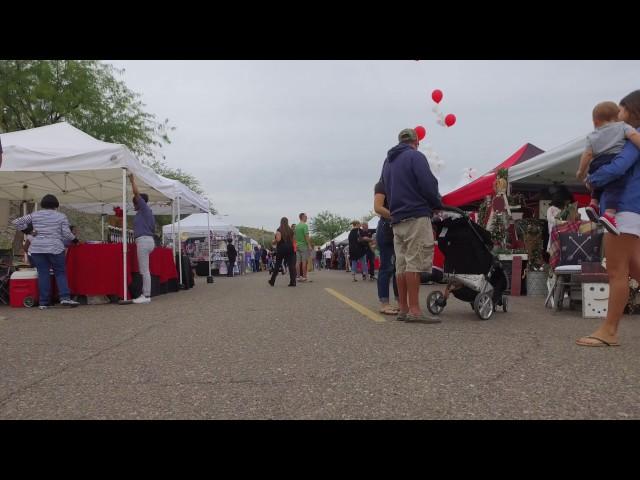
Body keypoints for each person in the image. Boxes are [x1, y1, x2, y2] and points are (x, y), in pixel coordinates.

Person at [577, 90, 640, 347]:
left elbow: (619, 166)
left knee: (617, 270)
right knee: (634, 266)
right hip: (629, 207)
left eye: (622, 109)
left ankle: (610, 330)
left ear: (631, 110)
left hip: (623, 208)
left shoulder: (628, 138)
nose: (618, 113)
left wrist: (592, 180)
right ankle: (609, 329)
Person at [381, 128, 441, 323]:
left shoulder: (388, 162)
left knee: (401, 264)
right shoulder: (415, 157)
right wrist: (436, 203)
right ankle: (415, 310)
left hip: (397, 218)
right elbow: (427, 183)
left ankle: (403, 309)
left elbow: (386, 188)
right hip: (416, 214)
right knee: (414, 262)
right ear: (416, 142)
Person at [576, 101, 640, 234]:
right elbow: (633, 137)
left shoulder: (592, 135)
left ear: (595, 122)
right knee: (615, 187)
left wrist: (581, 172)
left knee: (600, 186)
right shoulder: (622, 127)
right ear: (616, 117)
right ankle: (609, 214)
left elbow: (587, 154)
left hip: (597, 163)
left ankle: (593, 203)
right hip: (612, 159)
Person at [12, 194, 79, 309]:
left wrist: (29, 231)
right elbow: (67, 234)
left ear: (43, 204)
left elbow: (16, 222)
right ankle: (64, 298)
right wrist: (75, 240)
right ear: (56, 205)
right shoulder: (61, 216)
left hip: (37, 248)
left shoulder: (35, 215)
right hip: (55, 248)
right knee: (60, 273)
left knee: (43, 273)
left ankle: (43, 302)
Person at [129, 174, 156, 304]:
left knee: (144, 270)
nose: (134, 204)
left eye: (135, 202)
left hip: (144, 241)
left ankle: (146, 295)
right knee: (145, 269)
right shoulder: (143, 213)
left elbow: (136, 193)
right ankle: (146, 295)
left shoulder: (145, 209)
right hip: (147, 240)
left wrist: (132, 180)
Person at [374, 179, 400, 315]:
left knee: (398, 268)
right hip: (386, 228)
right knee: (387, 267)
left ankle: (400, 301)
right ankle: (384, 303)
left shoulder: (398, 183)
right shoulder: (382, 184)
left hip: (398, 228)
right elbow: (377, 207)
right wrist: (397, 216)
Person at [268, 217, 297, 287]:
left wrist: (273, 241)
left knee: (277, 265)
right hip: (290, 249)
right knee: (291, 266)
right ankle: (293, 282)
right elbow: (294, 240)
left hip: (281, 249)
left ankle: (272, 281)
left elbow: (278, 240)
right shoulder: (291, 230)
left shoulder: (279, 229)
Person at [545, 185, 573, 252]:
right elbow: (550, 219)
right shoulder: (551, 209)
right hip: (554, 235)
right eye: (567, 200)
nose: (568, 202)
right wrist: (562, 222)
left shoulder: (567, 209)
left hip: (565, 235)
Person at [295, 213, 313, 282]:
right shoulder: (304, 226)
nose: (306, 218)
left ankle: (298, 277)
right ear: (302, 217)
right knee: (304, 261)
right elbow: (306, 236)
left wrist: (296, 244)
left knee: (298, 262)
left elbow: (295, 237)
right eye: (305, 217)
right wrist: (309, 245)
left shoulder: (296, 226)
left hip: (297, 245)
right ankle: (304, 277)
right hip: (303, 245)